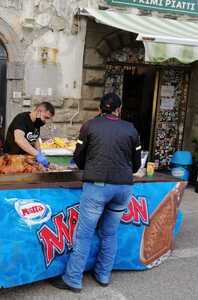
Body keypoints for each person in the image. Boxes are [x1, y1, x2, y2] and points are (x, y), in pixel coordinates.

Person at [51, 93, 141, 292]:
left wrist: (89, 165)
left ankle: (73, 279)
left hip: (97, 186)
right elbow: (136, 164)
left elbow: (79, 157)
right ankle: (103, 274)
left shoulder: (90, 125)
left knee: (84, 235)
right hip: (123, 188)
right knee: (110, 233)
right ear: (119, 109)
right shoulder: (131, 129)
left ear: (100, 109)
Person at [4, 102, 55, 167]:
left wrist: (40, 152)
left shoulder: (37, 123)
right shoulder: (21, 119)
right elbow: (19, 139)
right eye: (46, 117)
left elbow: (34, 139)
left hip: (25, 159)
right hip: (12, 159)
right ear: (39, 112)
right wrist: (37, 154)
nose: (46, 121)